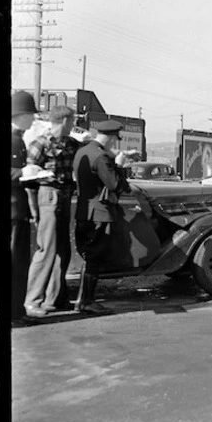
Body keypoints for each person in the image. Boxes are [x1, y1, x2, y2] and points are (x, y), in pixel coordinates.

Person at [23, 105, 80, 317]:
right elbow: (28, 178)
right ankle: (32, 301)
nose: (73, 124)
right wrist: (34, 208)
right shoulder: (41, 143)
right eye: (72, 120)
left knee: (62, 251)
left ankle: (54, 299)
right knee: (46, 250)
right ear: (64, 120)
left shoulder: (71, 143)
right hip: (48, 194)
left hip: (63, 196)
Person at [72, 120, 131, 313]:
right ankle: (87, 302)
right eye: (114, 140)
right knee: (95, 257)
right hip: (100, 214)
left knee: (89, 257)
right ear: (110, 137)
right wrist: (120, 166)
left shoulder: (82, 151)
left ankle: (82, 300)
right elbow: (114, 184)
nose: (114, 144)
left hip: (84, 211)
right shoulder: (101, 156)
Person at [10, 91, 39, 327]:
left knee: (19, 263)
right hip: (12, 211)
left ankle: (17, 310)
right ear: (20, 115)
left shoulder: (17, 138)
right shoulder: (13, 139)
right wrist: (23, 173)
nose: (33, 120)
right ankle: (13, 314)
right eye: (31, 115)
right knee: (14, 262)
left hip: (18, 211)